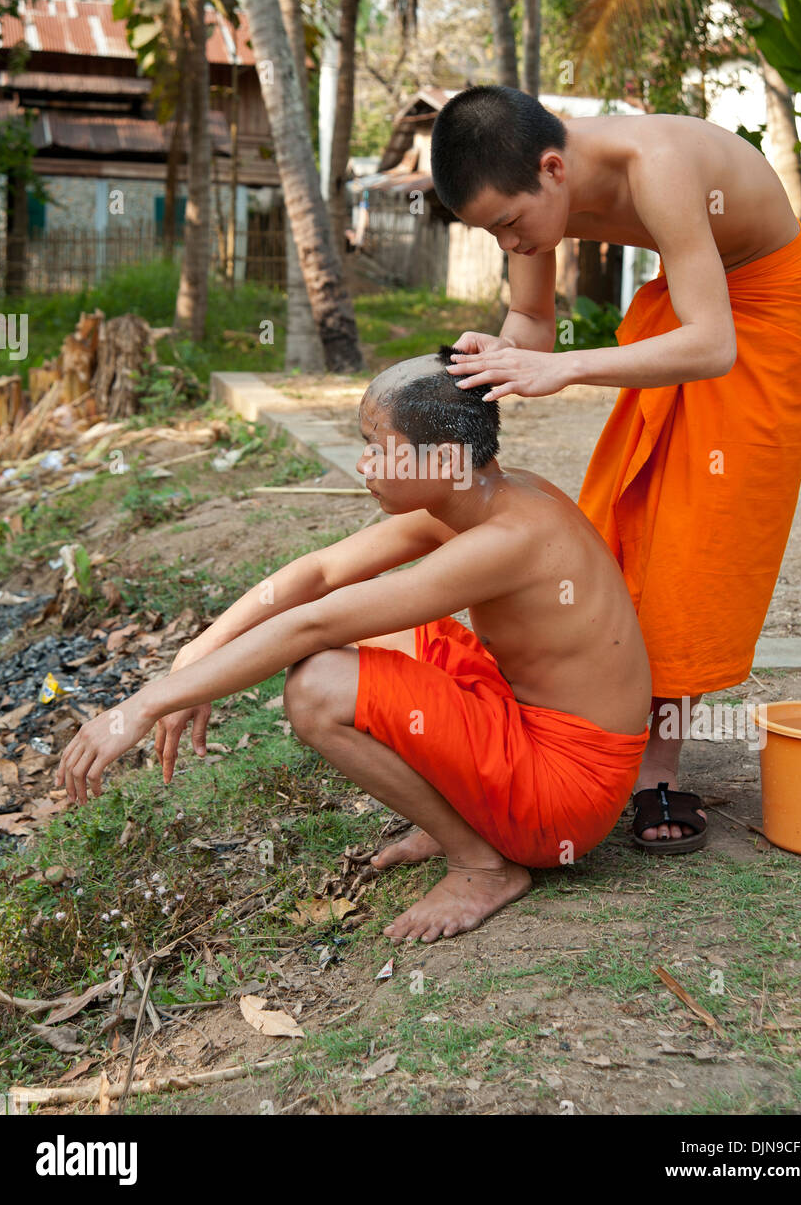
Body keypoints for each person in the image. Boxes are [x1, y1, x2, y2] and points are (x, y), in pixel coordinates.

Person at [57, 348, 652, 944]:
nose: (363, 463)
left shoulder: (509, 538)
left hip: (564, 796)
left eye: (378, 445)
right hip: (523, 724)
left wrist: (144, 704)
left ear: (443, 458)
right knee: (373, 636)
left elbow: (313, 624)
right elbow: (319, 574)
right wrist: (198, 653)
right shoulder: (479, 493)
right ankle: (465, 809)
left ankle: (482, 864)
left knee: (317, 686)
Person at [430, 85, 801, 853]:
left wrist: (566, 371)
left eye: (509, 225)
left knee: (693, 546)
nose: (510, 246)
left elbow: (714, 344)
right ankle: (593, 729)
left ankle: (660, 770)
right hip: (687, 303)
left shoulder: (660, 163)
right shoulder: (528, 198)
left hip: (761, 314)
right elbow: (534, 324)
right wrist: (494, 356)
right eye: (491, 233)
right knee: (626, 514)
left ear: (553, 170)